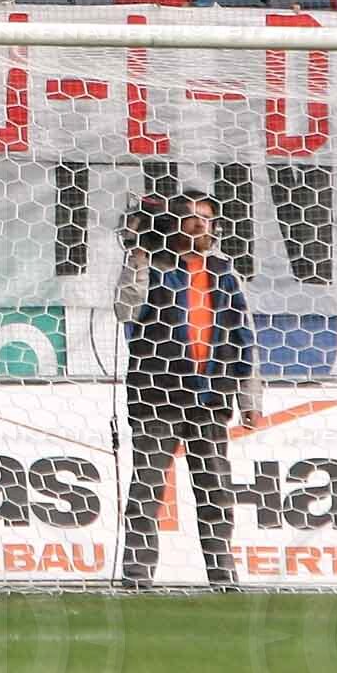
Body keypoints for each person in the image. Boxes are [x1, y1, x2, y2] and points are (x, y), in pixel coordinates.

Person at [116, 191, 257, 591]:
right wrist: (137, 255)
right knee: (147, 488)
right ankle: (137, 576)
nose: (200, 225)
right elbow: (125, 311)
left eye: (207, 218)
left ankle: (223, 575)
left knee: (215, 489)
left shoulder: (224, 274)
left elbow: (244, 337)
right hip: (156, 395)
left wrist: (249, 399)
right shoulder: (154, 266)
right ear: (173, 223)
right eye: (192, 217)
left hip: (210, 397)